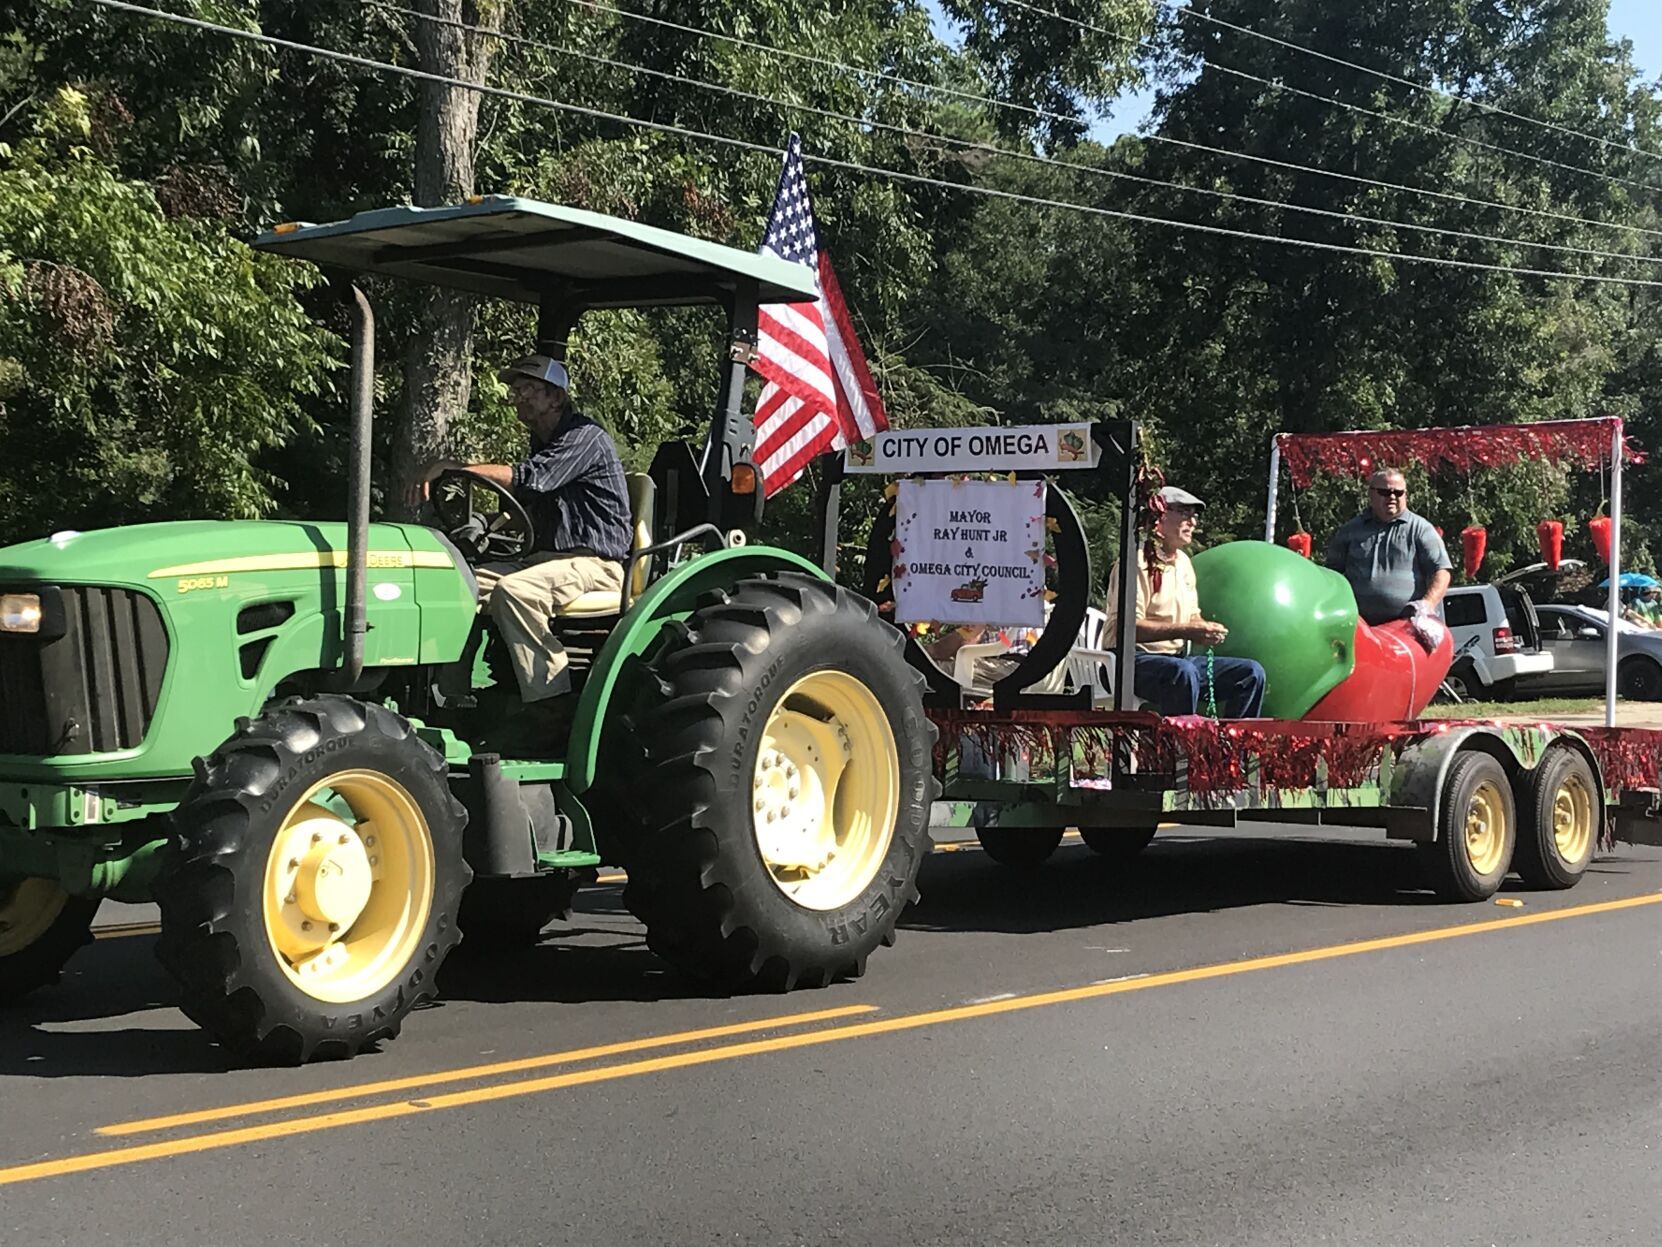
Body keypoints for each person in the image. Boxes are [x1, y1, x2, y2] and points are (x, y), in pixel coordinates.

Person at [416, 355, 632, 726]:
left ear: (556, 398)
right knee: (455, 583)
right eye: (516, 389)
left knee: (517, 591)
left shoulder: (584, 437)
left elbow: (534, 479)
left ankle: (551, 706)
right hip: (548, 560)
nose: (518, 396)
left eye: (528, 389)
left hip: (597, 563)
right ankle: (448, 697)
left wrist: (456, 469)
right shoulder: (543, 441)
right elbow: (529, 502)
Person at [1104, 486, 1267, 718]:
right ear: (1159, 517)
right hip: (1129, 661)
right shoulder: (1136, 561)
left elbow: (1192, 616)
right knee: (1183, 672)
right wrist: (1189, 630)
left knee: (1251, 673)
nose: (1192, 522)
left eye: (1194, 515)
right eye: (1184, 513)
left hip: (1175, 663)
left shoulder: (1183, 563)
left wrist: (1203, 628)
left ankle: (1230, 753)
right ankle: (1181, 750)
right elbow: (1128, 628)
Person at [1324, 468, 1452, 629]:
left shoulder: (1420, 529)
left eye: (1398, 493)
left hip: (1405, 628)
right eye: (1384, 492)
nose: (1392, 497)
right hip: (1360, 627)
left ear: (1405, 495)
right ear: (1371, 494)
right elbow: (1331, 574)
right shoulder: (1350, 530)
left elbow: (1441, 571)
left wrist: (1427, 604)